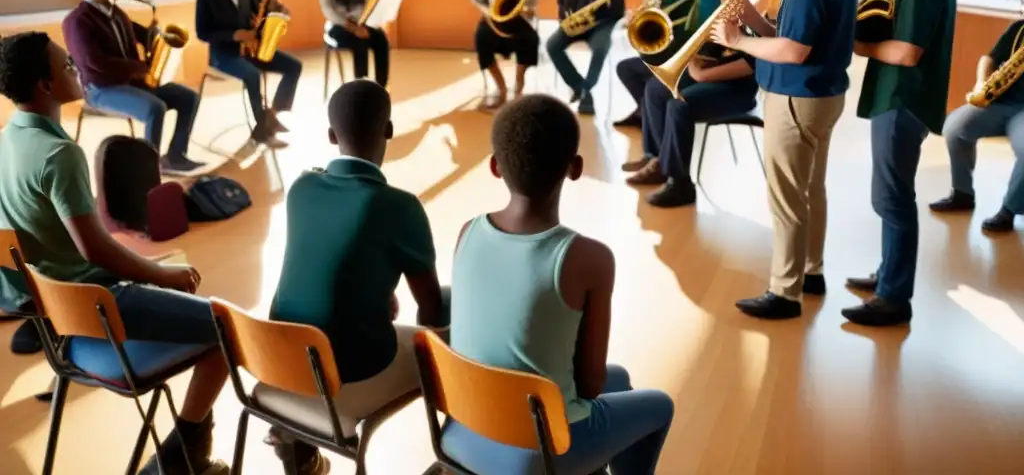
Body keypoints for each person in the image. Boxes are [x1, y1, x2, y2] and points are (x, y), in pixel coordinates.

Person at [0, 32, 228, 475]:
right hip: (97, 308)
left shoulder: (7, 140)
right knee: (225, 326)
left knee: (164, 276)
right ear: (45, 86)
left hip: (55, 318)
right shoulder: (59, 154)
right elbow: (96, 249)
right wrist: (162, 276)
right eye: (68, 66)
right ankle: (185, 458)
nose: (78, 70)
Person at [442, 95, 674, 473]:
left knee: (623, 380)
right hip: (540, 448)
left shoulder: (468, 232)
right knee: (660, 405)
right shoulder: (589, 259)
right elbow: (589, 386)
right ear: (575, 168)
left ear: (495, 167)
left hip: (466, 423)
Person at [267, 79, 448, 474]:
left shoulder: (301, 187)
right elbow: (430, 307)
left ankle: (295, 448)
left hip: (278, 358)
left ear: (332, 136)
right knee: (450, 311)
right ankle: (457, 459)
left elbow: (331, 260)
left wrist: (377, 294)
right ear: (389, 131)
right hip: (349, 371)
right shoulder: (399, 206)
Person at [712, 0, 857, 320]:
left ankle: (785, 293)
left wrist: (737, 42)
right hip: (819, 95)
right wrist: (753, 17)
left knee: (787, 197)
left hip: (796, 97)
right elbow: (790, 36)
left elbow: (793, 51)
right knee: (811, 189)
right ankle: (811, 273)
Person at [845, 0, 959, 327]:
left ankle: (894, 298)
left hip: (902, 100)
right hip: (897, 99)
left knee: (892, 200)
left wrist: (855, 46)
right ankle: (889, 275)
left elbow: (908, 53)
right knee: (888, 197)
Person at [61, 0, 204, 175]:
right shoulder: (77, 21)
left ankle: (175, 156)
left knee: (189, 97)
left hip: (131, 84)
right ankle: (147, 172)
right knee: (154, 108)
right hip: (100, 89)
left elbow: (143, 36)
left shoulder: (117, 13)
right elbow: (93, 63)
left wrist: (156, 37)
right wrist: (137, 68)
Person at [929, 0, 1024, 233]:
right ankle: (962, 193)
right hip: (1000, 102)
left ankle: (1009, 210)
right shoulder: (1018, 29)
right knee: (955, 127)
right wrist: (982, 84)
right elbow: (988, 58)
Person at [195, 0, 301, 148]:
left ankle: (271, 113)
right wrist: (233, 35)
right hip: (223, 56)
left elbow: (260, 19)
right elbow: (202, 32)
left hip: (250, 51)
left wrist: (276, 10)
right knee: (252, 75)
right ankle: (262, 132)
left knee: (293, 66)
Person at [622, 53, 759, 207]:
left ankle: (680, 183)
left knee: (679, 105)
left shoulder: (757, 31)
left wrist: (697, 68)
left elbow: (751, 64)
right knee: (656, 89)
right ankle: (658, 160)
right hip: (710, 68)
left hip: (736, 88)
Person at [547, 0, 625, 116]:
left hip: (600, 25)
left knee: (600, 48)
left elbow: (618, 10)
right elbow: (563, 0)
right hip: (577, 24)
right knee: (552, 45)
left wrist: (596, 18)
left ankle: (586, 91)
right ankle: (579, 87)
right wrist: (566, 18)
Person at [613, 0, 693, 128]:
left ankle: (647, 114)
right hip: (659, 57)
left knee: (627, 69)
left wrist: (642, 18)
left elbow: (669, 31)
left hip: (669, 60)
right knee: (625, 68)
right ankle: (645, 112)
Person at [471, 0, 543, 110]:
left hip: (518, 18)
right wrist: (489, 12)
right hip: (494, 19)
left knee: (530, 38)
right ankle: (501, 88)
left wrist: (530, 7)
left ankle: (519, 86)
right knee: (481, 37)